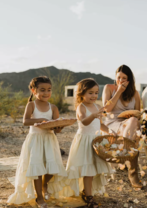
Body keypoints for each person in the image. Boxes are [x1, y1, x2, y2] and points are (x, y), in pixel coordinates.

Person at [52, 78, 113, 208]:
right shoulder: (81, 107)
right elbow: (84, 121)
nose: (94, 96)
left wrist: (110, 131)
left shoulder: (97, 106)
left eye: (96, 93)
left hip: (96, 141)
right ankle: (88, 195)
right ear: (82, 94)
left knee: (94, 169)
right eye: (90, 93)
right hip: (85, 141)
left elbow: (100, 124)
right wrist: (94, 115)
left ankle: (88, 190)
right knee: (87, 169)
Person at [7, 76, 67, 208]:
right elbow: (25, 121)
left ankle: (45, 184)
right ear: (34, 91)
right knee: (38, 168)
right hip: (35, 140)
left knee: (52, 168)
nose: (46, 93)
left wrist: (59, 127)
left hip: (50, 139)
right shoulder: (31, 105)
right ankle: (39, 197)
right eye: (42, 90)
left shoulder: (54, 108)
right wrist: (39, 120)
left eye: (49, 90)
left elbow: (57, 129)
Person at [102, 65, 142, 188]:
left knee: (134, 121)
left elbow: (138, 114)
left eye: (124, 78)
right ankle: (133, 171)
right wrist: (119, 91)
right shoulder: (109, 88)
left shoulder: (135, 93)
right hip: (112, 123)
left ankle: (124, 153)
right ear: (115, 77)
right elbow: (106, 109)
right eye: (118, 77)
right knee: (134, 135)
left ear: (129, 80)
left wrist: (131, 116)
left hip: (129, 125)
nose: (121, 80)